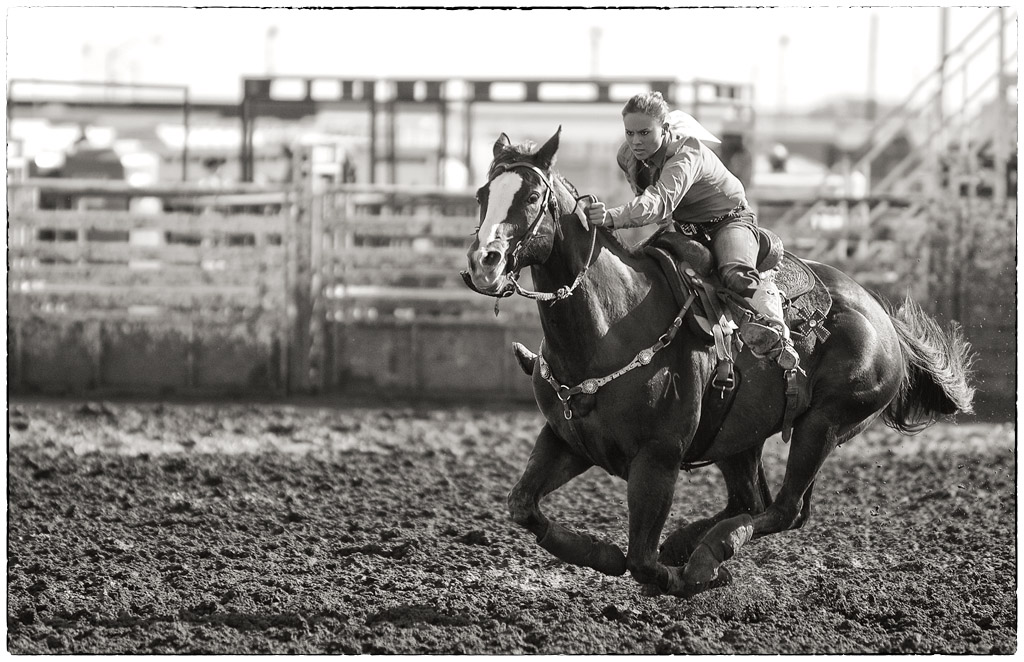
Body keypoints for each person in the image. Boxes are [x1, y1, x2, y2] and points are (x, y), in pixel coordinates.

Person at [585, 91, 798, 370]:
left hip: (729, 221)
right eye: (630, 133)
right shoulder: (627, 155)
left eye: (645, 133)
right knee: (639, 268)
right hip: (683, 227)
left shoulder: (688, 153)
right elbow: (644, 190)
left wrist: (611, 217)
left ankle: (777, 332)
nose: (636, 141)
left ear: (665, 129)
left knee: (734, 271)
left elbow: (658, 202)